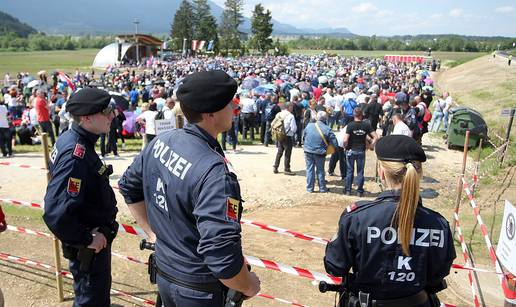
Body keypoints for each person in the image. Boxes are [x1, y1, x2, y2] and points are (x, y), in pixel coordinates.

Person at [118, 70, 260, 307]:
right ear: (210, 113)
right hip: (198, 290)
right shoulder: (215, 173)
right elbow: (222, 255)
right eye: (230, 104)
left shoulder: (162, 141)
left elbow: (129, 188)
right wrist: (248, 285)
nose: (235, 109)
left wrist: (153, 234)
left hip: (167, 274)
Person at [324, 135, 456, 307]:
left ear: (381, 172)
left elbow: (335, 266)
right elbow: (438, 274)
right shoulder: (438, 224)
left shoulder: (357, 218)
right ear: (419, 174)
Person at [43, 88, 119, 307]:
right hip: (88, 248)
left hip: (93, 240)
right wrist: (86, 239)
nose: (112, 115)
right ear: (86, 118)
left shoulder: (73, 137)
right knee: (91, 300)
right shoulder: (75, 153)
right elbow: (56, 213)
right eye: (106, 111)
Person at [344, 108, 378, 197]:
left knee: (350, 171)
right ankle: (359, 191)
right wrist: (371, 145)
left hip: (351, 150)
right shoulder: (366, 125)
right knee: (360, 172)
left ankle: (348, 190)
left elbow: (345, 139)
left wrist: (345, 147)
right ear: (361, 115)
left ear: (354, 115)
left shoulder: (350, 125)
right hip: (361, 150)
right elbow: (376, 137)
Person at [303, 111, 338, 193]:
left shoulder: (309, 126)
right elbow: (335, 144)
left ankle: (309, 188)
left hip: (308, 151)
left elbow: (303, 137)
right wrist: (328, 151)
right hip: (320, 152)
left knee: (309, 169)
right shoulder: (327, 129)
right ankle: (322, 188)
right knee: (320, 170)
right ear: (325, 119)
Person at [272, 102, 297, 175]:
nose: (292, 108)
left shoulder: (279, 114)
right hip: (287, 136)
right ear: (289, 107)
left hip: (279, 134)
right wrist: (292, 133)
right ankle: (287, 169)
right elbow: (294, 128)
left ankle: (275, 167)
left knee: (279, 152)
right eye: (291, 107)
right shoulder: (291, 116)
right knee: (287, 153)